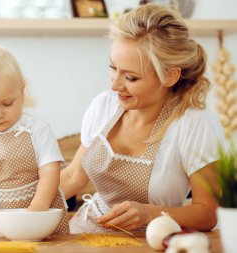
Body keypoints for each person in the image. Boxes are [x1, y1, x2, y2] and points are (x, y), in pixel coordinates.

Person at [60, 4, 225, 234]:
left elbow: (208, 213)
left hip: (154, 239)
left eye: (131, 77)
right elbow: (73, 176)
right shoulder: (104, 105)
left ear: (169, 75)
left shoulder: (193, 122)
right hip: (86, 232)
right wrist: (13, 210)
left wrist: (149, 213)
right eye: (113, 67)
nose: (114, 85)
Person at [0, 45, 70, 240]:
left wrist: (38, 208)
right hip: (0, 225)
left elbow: (50, 172)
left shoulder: (37, 130)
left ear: (22, 92)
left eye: (8, 104)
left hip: (44, 221)